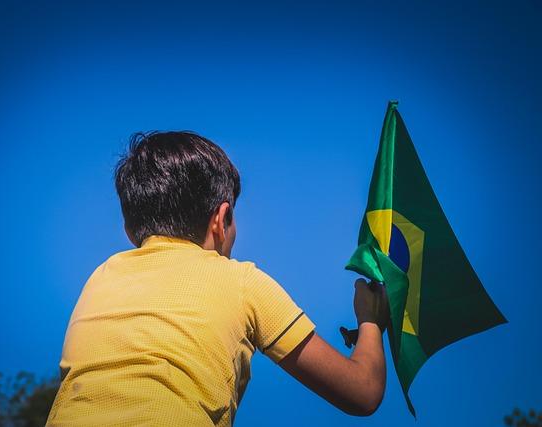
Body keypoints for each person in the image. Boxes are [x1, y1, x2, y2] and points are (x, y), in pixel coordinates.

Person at [45, 131, 389, 426]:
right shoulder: (242, 281)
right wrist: (370, 319)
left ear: (130, 229)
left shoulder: (102, 276)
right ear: (221, 218)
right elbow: (362, 391)